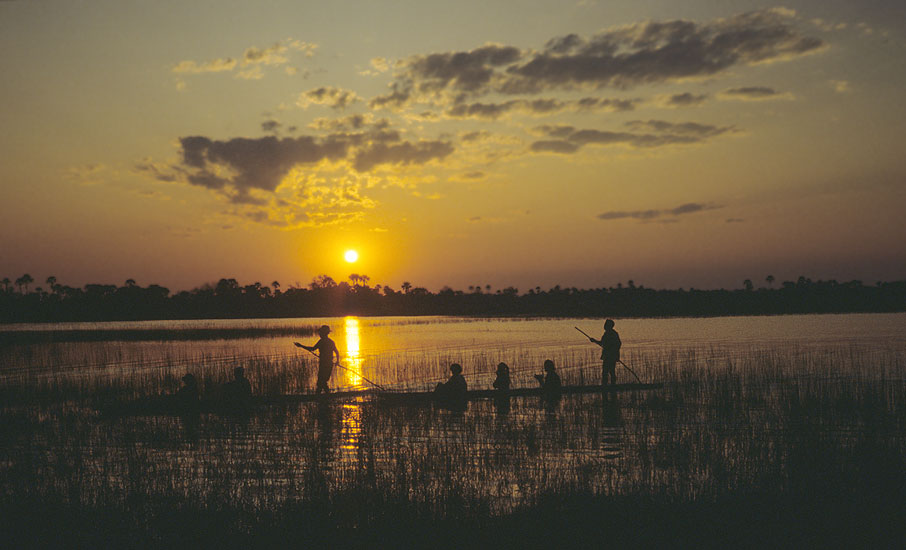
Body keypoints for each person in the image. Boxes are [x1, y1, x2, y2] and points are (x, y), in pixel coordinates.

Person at [295, 325, 340, 394]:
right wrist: (337, 361)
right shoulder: (330, 342)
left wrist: (301, 346)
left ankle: (320, 396)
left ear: (324, 333)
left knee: (321, 381)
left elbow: (312, 349)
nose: (319, 334)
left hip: (325, 364)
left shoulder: (322, 341)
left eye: (321, 332)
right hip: (328, 364)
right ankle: (326, 395)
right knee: (322, 381)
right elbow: (336, 352)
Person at [590, 319, 621, 386]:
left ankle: (609, 387)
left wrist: (615, 354)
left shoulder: (613, 334)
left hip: (610, 356)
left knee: (608, 372)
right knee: (607, 372)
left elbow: (618, 345)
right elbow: (602, 344)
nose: (604, 326)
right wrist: (594, 341)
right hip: (608, 356)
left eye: (606, 324)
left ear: (609, 326)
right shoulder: (607, 334)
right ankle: (607, 386)